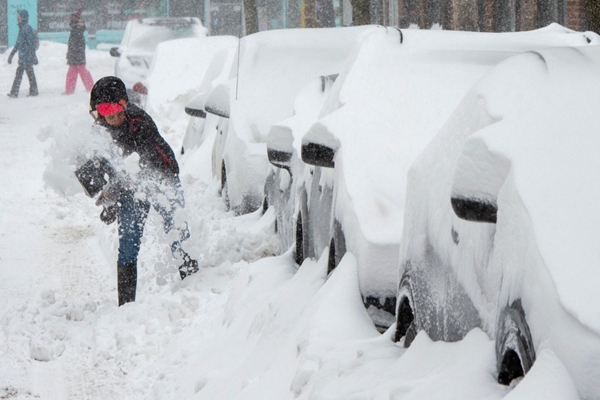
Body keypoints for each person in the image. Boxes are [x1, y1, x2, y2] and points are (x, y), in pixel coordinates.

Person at [87, 76, 198, 306]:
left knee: (176, 230)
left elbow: (140, 166)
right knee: (128, 242)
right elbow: (108, 170)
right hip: (129, 188)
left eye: (118, 112)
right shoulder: (98, 133)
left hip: (161, 178)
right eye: (109, 114)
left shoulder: (139, 122)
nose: (115, 119)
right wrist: (110, 200)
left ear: (125, 105)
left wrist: (115, 192)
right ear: (99, 113)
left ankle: (194, 290)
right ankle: (126, 306)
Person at [7, 9, 38, 98]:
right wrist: (11, 55)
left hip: (26, 57)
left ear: (23, 18)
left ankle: (15, 92)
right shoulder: (23, 28)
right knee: (27, 73)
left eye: (19, 17)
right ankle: (32, 90)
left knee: (22, 73)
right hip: (24, 56)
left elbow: (29, 43)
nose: (17, 18)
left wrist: (32, 55)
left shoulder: (26, 28)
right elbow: (18, 43)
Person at [64, 7, 94, 95]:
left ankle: (90, 87)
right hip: (77, 55)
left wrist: (71, 53)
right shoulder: (77, 29)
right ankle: (89, 87)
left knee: (77, 71)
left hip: (76, 55)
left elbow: (76, 45)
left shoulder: (76, 30)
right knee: (76, 71)